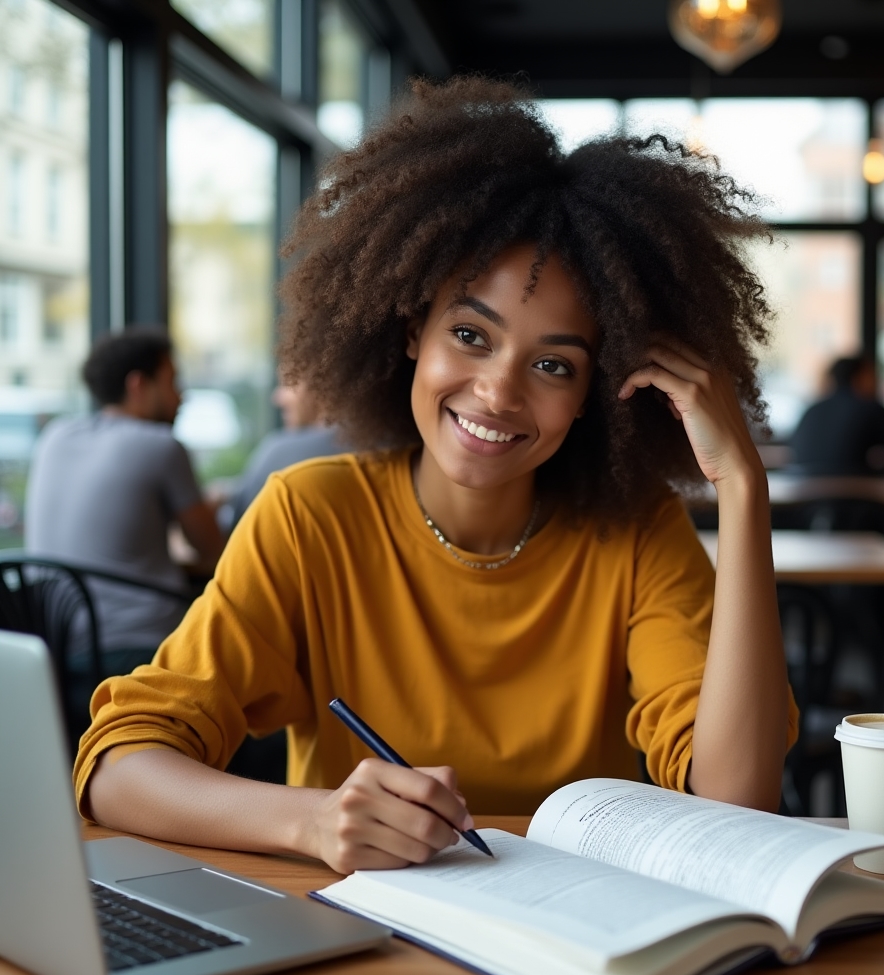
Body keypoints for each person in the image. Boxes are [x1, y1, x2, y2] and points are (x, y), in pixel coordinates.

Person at [74, 79, 798, 876]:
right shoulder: (312, 515)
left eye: (554, 364)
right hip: (359, 957)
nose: (498, 392)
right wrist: (314, 822)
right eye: (470, 334)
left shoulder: (636, 533)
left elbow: (737, 803)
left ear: (596, 393)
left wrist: (741, 486)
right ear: (413, 327)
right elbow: (117, 766)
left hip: (574, 959)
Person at [25, 326, 224, 675]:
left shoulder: (54, 437)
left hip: (54, 661)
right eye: (172, 382)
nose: (182, 397)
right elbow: (212, 550)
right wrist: (211, 506)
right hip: (140, 656)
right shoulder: (160, 444)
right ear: (138, 386)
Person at [222, 376, 349, 531]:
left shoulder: (279, 451)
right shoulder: (381, 448)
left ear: (324, 382)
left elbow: (237, 527)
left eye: (288, 382)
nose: (277, 398)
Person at [788, 356, 884, 476]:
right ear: (861, 377)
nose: (876, 382)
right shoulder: (871, 408)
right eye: (872, 376)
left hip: (805, 492)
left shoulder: (811, 410)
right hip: (851, 493)